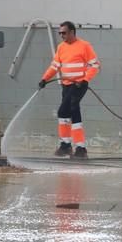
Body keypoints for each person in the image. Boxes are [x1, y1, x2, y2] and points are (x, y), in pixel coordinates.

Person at [38, 21, 100, 159]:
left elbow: (95, 65)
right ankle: (75, 146)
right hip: (66, 85)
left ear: (72, 32)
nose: (61, 35)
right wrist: (44, 79)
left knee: (64, 110)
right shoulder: (61, 47)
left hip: (79, 85)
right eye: (60, 33)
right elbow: (55, 66)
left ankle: (70, 146)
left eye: (64, 33)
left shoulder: (84, 46)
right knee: (71, 111)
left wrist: (84, 80)